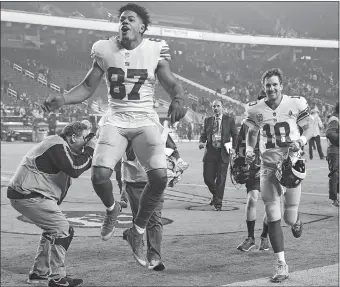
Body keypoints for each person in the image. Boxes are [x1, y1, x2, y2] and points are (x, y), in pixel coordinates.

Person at [42, 3, 187, 266]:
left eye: (130, 19)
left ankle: (137, 230)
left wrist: (178, 97)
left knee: (159, 178)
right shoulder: (104, 48)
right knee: (99, 176)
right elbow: (87, 87)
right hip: (116, 118)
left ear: (142, 27)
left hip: (144, 119)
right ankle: (112, 209)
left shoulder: (155, 49)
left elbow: (171, 81)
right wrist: (62, 100)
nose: (124, 22)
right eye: (121, 19)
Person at [244, 68, 314, 282]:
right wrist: (249, 149)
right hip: (268, 167)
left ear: (281, 85)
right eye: (267, 85)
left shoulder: (295, 103)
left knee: (289, 217)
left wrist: (301, 141)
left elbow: (309, 128)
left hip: (291, 164)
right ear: (263, 87)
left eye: (275, 84)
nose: (271, 88)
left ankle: (296, 219)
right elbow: (252, 133)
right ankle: (281, 264)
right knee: (273, 214)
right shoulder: (255, 109)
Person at [7, 122, 97, 287]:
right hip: (27, 194)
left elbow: (76, 162)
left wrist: (89, 148)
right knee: (62, 229)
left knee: (54, 230)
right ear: (73, 137)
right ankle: (56, 278)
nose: (86, 142)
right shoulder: (56, 145)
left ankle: (39, 274)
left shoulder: (61, 146)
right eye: (84, 138)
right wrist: (90, 150)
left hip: (28, 194)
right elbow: (75, 168)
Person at [235, 93, 269, 252]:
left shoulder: (278, 120)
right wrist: (239, 164)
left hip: (272, 166)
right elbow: (239, 145)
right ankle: (250, 238)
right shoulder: (247, 123)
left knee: (270, 204)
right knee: (252, 199)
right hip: (254, 166)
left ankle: (265, 235)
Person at [199, 99, 238, 211]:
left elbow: (235, 135)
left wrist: (234, 148)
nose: (216, 108)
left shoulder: (229, 120)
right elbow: (203, 135)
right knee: (207, 178)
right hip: (210, 153)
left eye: (218, 106)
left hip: (223, 153)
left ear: (222, 107)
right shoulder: (207, 120)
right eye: (214, 106)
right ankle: (217, 195)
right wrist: (202, 142)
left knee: (221, 179)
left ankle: (218, 203)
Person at [326, 102, 339, 207]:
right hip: (334, 151)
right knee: (334, 174)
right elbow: (330, 133)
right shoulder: (335, 119)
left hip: (337, 150)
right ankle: (334, 199)